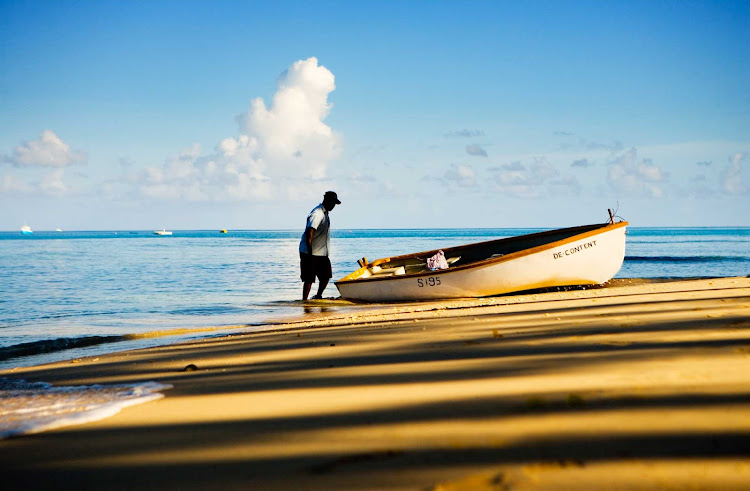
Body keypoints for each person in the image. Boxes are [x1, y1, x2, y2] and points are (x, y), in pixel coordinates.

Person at [299, 191, 341, 300]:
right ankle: (305, 301)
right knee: (309, 278)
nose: (333, 206)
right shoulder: (317, 213)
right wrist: (309, 253)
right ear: (327, 201)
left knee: (326, 276)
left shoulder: (325, 214)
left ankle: (318, 296)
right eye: (332, 203)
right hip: (310, 251)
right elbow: (310, 232)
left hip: (321, 252)